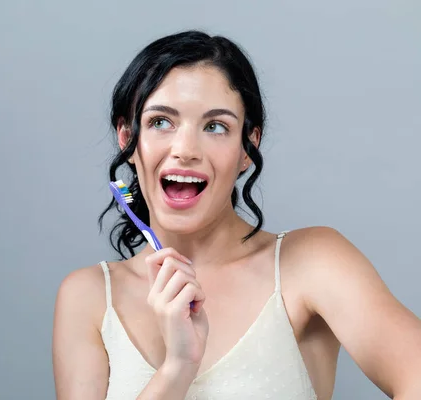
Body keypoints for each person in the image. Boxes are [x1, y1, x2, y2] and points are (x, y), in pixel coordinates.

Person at [52, 30, 421, 400]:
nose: (185, 150)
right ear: (127, 138)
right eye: (161, 121)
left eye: (215, 126)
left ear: (248, 147)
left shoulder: (312, 263)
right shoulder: (88, 298)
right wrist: (179, 366)